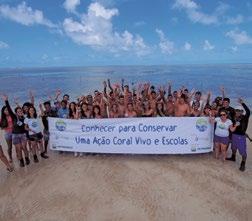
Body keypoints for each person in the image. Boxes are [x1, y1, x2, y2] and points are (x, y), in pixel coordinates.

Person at [1, 95, 30, 167]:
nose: (19, 112)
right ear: (16, 113)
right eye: (18, 111)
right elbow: (9, 109)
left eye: (20, 111)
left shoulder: (25, 118)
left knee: (24, 147)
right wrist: (6, 101)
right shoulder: (14, 117)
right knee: (19, 149)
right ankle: (21, 161)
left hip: (23, 135)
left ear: (22, 111)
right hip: (15, 135)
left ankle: (27, 158)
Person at [227, 98, 250, 171]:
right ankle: (233, 157)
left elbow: (248, 112)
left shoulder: (245, 118)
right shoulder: (233, 118)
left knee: (242, 151)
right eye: (236, 110)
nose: (238, 112)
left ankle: (243, 163)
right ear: (235, 111)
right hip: (234, 135)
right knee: (233, 148)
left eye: (240, 111)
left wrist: (242, 103)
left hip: (241, 137)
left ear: (242, 112)